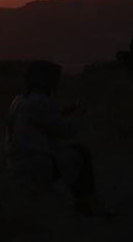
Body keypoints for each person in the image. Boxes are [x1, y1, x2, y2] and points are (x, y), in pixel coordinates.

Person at [7, 60, 99, 214]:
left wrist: (65, 111)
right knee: (81, 154)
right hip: (33, 166)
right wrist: (78, 112)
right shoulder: (39, 101)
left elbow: (43, 117)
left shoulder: (19, 99)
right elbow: (66, 132)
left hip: (16, 162)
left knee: (70, 155)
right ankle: (85, 203)